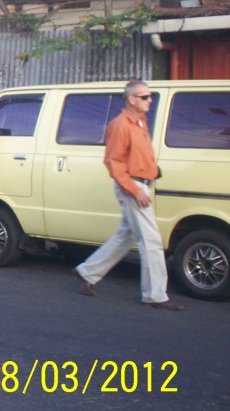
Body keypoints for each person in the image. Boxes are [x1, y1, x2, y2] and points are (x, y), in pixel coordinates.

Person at [74, 80, 184, 310]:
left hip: (141, 184)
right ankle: (155, 295)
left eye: (149, 96)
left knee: (126, 235)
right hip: (132, 186)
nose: (149, 100)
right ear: (132, 99)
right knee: (151, 242)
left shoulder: (140, 122)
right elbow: (113, 163)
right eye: (145, 97)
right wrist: (135, 190)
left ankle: (87, 272)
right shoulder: (120, 125)